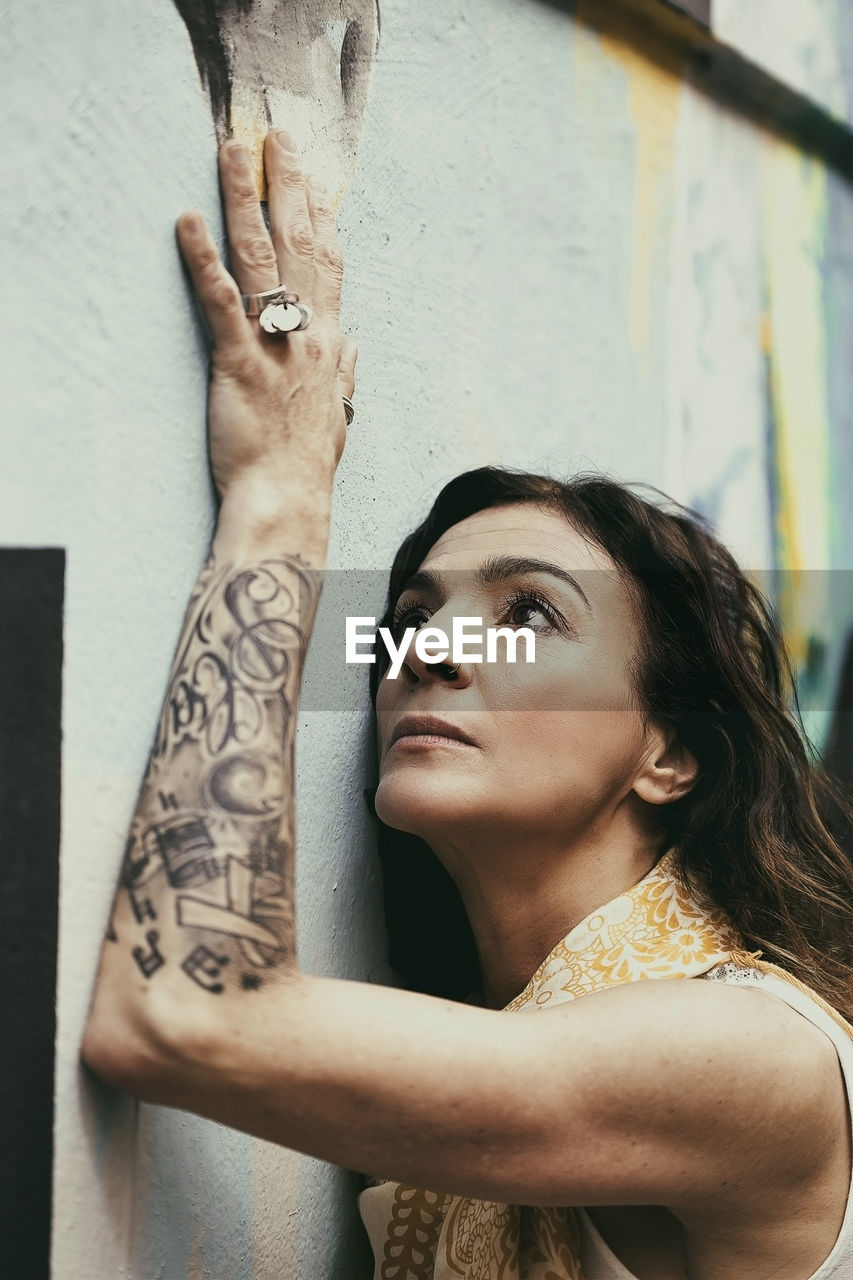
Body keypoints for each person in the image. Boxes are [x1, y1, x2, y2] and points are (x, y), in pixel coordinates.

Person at [83, 129, 853, 1280]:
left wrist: (285, 489)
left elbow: (184, 1013)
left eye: (529, 613)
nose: (429, 648)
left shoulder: (752, 1050)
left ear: (669, 753)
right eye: (406, 614)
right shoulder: (481, 1048)